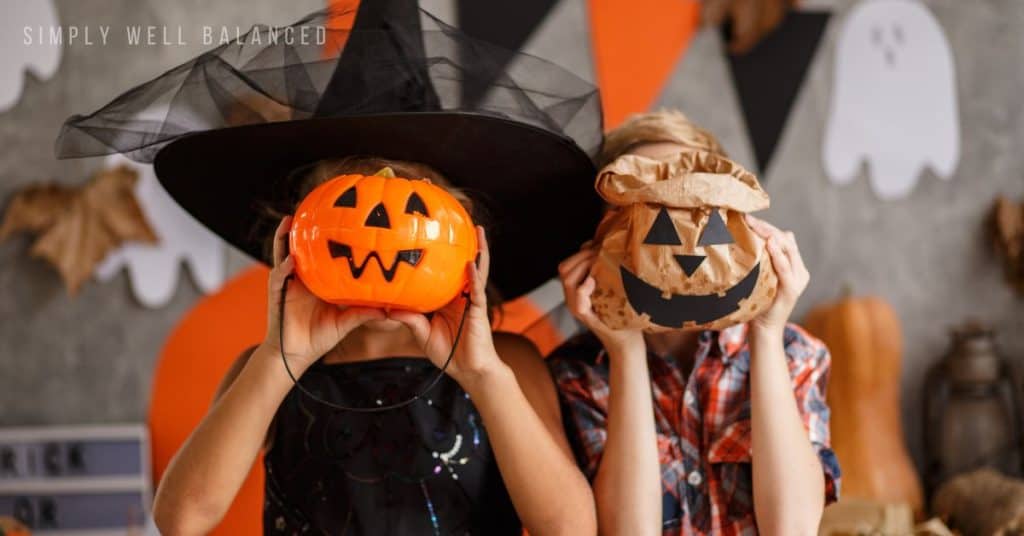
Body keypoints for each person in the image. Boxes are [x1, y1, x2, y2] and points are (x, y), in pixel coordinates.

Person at [55, 2, 605, 534]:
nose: (382, 235)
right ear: (296, 238)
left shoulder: (505, 363)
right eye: (348, 208)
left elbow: (570, 528)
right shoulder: (270, 369)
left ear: (465, 244)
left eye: (416, 210)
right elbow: (182, 518)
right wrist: (279, 359)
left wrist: (482, 377)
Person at [549, 110, 840, 535]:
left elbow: (793, 528)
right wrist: (624, 348)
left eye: (701, 215)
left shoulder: (796, 352)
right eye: (658, 221)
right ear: (604, 236)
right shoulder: (577, 375)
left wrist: (766, 331)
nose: (687, 253)